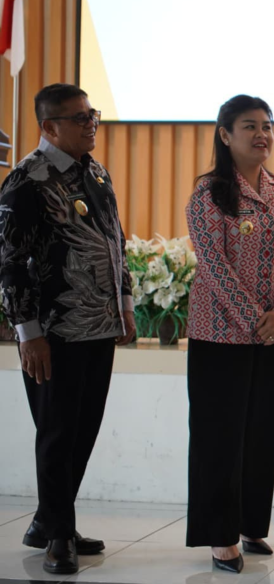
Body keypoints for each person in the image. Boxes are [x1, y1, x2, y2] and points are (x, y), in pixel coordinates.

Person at [0, 83, 136, 575]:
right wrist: (28, 333)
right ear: (49, 126)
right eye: (79, 118)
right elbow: (9, 263)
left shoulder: (95, 172)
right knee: (57, 434)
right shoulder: (26, 180)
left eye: (92, 114)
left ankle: (50, 520)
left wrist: (125, 303)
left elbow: (115, 241)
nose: (90, 123)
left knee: (82, 431)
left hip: (99, 324)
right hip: (53, 332)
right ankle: (58, 536)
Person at [184, 95, 274, 574]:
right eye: (250, 126)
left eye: (267, 126)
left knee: (260, 433)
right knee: (219, 437)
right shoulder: (209, 193)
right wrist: (257, 318)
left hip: (270, 336)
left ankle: (251, 524)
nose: (262, 135)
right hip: (219, 336)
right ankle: (220, 536)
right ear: (225, 134)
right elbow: (213, 265)